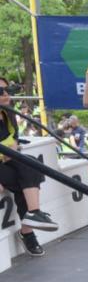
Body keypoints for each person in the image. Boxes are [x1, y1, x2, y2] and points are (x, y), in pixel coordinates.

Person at [0, 77, 59, 256]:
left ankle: (33, 214)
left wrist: (11, 147)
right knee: (27, 173)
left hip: (8, 159)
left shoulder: (8, 112)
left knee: (28, 170)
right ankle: (28, 230)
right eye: (1, 91)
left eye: (7, 89)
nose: (6, 94)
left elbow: (15, 138)